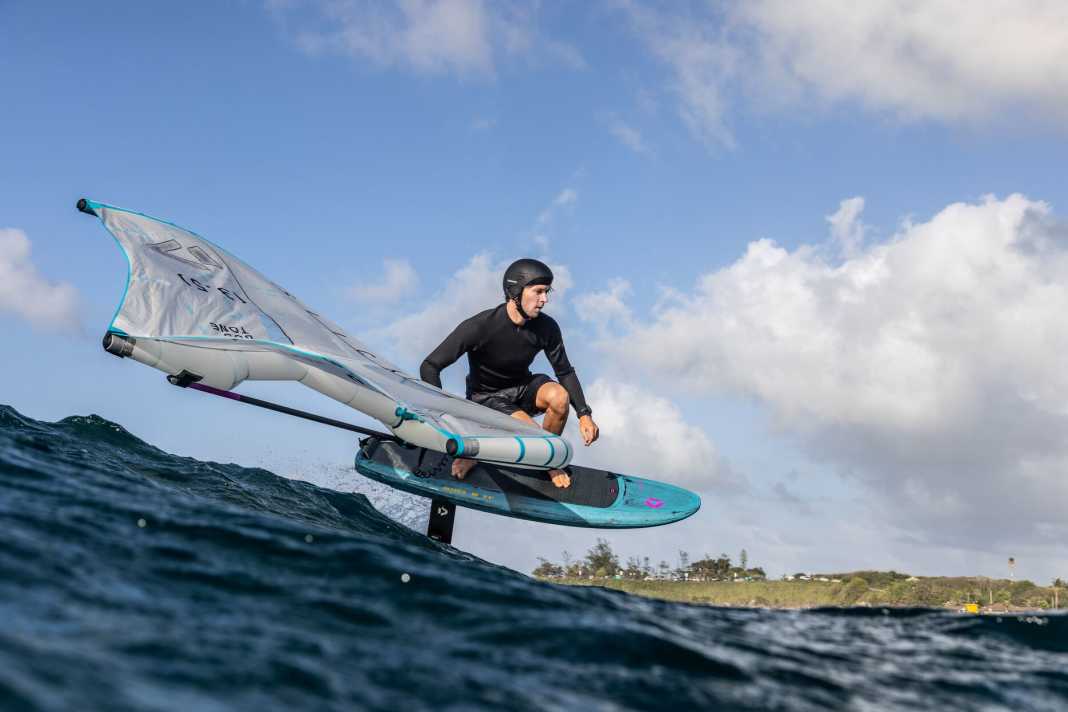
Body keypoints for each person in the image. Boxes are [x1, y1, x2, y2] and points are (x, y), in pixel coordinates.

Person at [420, 258, 599, 488]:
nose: (544, 300)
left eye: (547, 292)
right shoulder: (480, 326)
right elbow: (430, 365)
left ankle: (545, 460)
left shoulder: (547, 327)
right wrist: (440, 414)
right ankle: (479, 454)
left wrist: (584, 414)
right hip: (487, 397)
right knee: (530, 433)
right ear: (515, 291)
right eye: (538, 292)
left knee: (559, 397)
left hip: (522, 387)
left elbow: (564, 371)